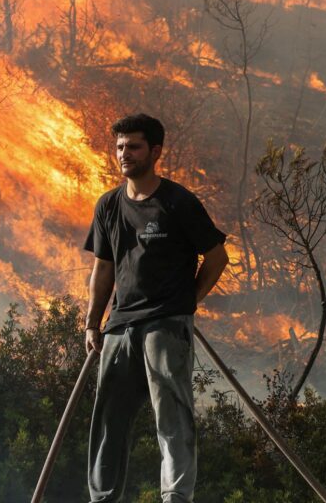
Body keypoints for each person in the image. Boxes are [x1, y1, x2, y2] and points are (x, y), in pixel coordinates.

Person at [83, 113, 229, 503]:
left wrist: (187, 303)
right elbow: (103, 267)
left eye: (133, 146)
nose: (124, 154)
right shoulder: (109, 205)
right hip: (119, 327)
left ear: (155, 151)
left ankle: (176, 497)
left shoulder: (178, 202)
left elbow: (216, 258)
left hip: (165, 326)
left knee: (172, 417)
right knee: (108, 421)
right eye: (119, 147)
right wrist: (91, 323)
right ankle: (103, 497)